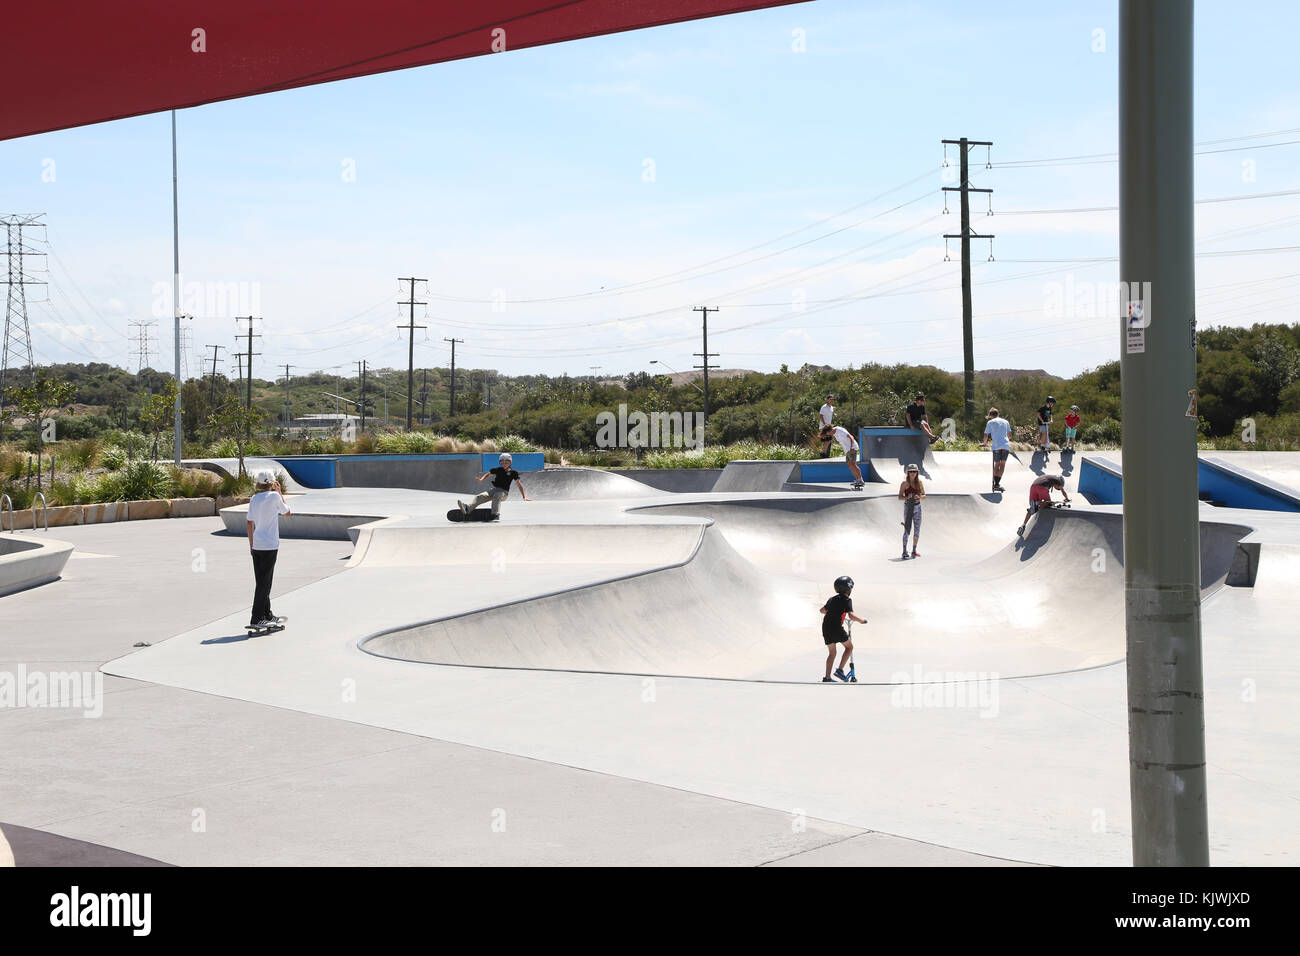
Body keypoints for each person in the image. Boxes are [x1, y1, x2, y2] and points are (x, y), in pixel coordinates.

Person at [245, 469, 292, 629]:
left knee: (261, 582)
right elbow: (287, 513)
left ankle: (267, 615)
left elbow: (249, 523)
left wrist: (251, 546)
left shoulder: (254, 499)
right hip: (270, 546)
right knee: (265, 584)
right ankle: (256, 618)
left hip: (257, 545)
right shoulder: (274, 496)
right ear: (272, 483)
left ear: (258, 483)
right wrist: (279, 492)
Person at [820, 575, 866, 683]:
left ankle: (827, 678)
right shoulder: (847, 600)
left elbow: (822, 610)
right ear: (849, 589)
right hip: (836, 627)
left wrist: (833, 612)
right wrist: (861, 620)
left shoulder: (832, 599)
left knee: (832, 653)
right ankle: (840, 670)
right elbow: (851, 616)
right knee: (849, 647)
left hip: (826, 627)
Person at [459, 452, 531, 518]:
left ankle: (495, 514)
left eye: (506, 462)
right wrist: (481, 479)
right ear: (500, 463)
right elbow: (488, 474)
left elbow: (519, 484)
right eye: (502, 463)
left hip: (504, 493)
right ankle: (467, 508)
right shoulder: (497, 469)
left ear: (510, 463)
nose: (504, 464)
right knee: (480, 496)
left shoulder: (513, 472)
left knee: (497, 495)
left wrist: (524, 497)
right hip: (494, 490)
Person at [819, 424, 864, 489]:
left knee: (853, 464)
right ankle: (858, 480)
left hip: (852, 448)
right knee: (849, 465)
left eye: (828, 433)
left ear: (830, 430)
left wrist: (852, 446)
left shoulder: (840, 431)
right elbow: (827, 440)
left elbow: (851, 437)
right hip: (847, 450)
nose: (828, 435)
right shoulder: (834, 433)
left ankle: (860, 480)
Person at [981, 406, 1012, 493]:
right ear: (998, 414)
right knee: (1002, 464)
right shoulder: (1006, 422)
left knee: (997, 464)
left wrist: (985, 443)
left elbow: (986, 434)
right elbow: (1010, 435)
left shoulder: (990, 422)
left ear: (991, 415)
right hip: (1005, 445)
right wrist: (1005, 440)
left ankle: (995, 482)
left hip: (996, 446)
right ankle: (997, 484)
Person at [898, 463, 925, 559]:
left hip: (917, 507)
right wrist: (907, 497)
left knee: (917, 529)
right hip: (908, 507)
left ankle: (914, 550)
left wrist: (919, 497)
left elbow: (924, 495)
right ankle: (904, 550)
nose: (913, 473)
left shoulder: (919, 483)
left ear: (917, 473)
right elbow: (900, 497)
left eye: (914, 472)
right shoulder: (904, 483)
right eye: (911, 472)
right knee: (907, 528)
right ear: (908, 473)